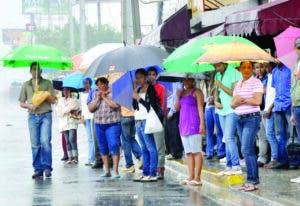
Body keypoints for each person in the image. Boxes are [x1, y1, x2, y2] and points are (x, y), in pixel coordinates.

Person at [19, 62, 56, 178]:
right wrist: (29, 106)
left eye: (38, 69)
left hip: (45, 115)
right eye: (34, 69)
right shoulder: (26, 85)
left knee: (45, 141)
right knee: (35, 144)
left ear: (41, 71)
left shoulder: (47, 83)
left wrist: (42, 93)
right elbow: (21, 103)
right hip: (32, 116)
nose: (36, 71)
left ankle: (47, 167)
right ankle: (37, 169)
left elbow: (53, 100)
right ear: (30, 71)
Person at [231, 61, 263, 192]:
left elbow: (257, 101)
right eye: (243, 67)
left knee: (246, 149)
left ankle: (253, 181)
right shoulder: (238, 84)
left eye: (249, 67)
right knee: (245, 149)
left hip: (251, 118)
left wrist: (241, 100)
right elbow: (232, 105)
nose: (246, 70)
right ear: (239, 69)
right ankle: (249, 179)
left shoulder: (256, 82)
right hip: (239, 118)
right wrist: (237, 101)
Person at [88, 77, 122, 178]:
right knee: (102, 147)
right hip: (99, 124)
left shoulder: (114, 93)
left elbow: (116, 105)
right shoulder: (95, 95)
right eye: (98, 85)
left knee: (114, 145)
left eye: (103, 84)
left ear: (107, 84)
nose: (101, 86)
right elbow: (90, 109)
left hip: (112, 123)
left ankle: (115, 170)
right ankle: (107, 170)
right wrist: (98, 98)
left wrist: (104, 97)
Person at [175, 78, 205, 186]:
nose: (186, 83)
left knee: (196, 151)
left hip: (194, 124)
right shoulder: (181, 93)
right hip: (183, 125)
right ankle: (191, 176)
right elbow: (177, 108)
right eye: (184, 81)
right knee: (188, 152)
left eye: (188, 80)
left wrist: (202, 123)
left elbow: (201, 108)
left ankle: (197, 178)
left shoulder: (197, 92)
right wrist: (178, 97)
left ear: (193, 81)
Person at [213, 63, 242, 175]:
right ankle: (229, 166)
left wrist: (220, 85)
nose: (217, 68)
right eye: (215, 66)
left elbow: (234, 93)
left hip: (232, 110)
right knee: (226, 138)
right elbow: (216, 92)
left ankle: (236, 165)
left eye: (218, 66)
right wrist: (216, 101)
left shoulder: (235, 73)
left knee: (229, 137)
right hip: (221, 110)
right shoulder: (217, 75)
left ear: (224, 63)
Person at [132, 68, 160, 182]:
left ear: (145, 77)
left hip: (146, 120)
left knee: (150, 147)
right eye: (136, 78)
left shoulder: (150, 89)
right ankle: (145, 172)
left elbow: (151, 106)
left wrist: (139, 99)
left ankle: (153, 173)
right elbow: (135, 107)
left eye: (140, 77)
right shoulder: (137, 90)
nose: (138, 80)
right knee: (143, 148)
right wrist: (135, 93)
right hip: (138, 120)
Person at [272, 62, 293, 169]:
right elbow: (274, 89)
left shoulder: (289, 69)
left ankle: (294, 161)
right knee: (280, 134)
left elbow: (292, 87)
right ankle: (282, 160)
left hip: (289, 104)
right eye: (276, 56)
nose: (278, 59)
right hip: (278, 105)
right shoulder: (274, 71)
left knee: (292, 134)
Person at [147, 67, 166, 179]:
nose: (151, 76)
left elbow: (163, 105)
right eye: (149, 74)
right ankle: (152, 168)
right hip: (147, 121)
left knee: (159, 147)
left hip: (158, 120)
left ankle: (160, 169)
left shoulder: (160, 88)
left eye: (153, 74)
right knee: (150, 147)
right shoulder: (144, 88)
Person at [56, 87, 81, 164]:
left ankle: (75, 157)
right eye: (64, 90)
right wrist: (66, 110)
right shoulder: (60, 100)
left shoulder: (74, 100)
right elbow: (58, 111)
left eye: (67, 90)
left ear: (70, 91)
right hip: (63, 123)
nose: (65, 92)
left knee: (72, 139)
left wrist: (64, 110)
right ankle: (70, 157)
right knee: (67, 141)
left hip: (72, 122)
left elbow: (73, 107)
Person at [204, 72, 225, 160]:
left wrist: (215, 99)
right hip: (208, 107)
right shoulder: (204, 82)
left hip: (217, 107)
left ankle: (221, 151)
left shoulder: (218, 79)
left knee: (219, 130)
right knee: (209, 131)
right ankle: (209, 151)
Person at [263, 63, 279, 169]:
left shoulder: (274, 75)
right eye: (265, 66)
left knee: (272, 134)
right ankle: (275, 157)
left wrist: (269, 108)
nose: (266, 68)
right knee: (270, 134)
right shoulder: (268, 76)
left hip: (273, 109)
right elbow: (268, 95)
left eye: (268, 66)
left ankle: (275, 158)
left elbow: (277, 94)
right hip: (268, 109)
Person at [254, 62, 269, 167]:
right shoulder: (254, 80)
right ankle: (262, 157)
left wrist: (262, 90)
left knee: (270, 134)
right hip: (257, 110)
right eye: (257, 67)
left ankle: (274, 157)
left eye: (262, 67)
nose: (259, 70)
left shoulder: (268, 78)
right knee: (261, 135)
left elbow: (268, 91)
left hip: (266, 110)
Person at [120, 106, 142, 173]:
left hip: (124, 116)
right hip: (133, 116)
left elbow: (116, 105)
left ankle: (129, 165)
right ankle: (141, 157)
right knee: (132, 138)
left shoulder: (119, 95)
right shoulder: (131, 94)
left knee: (126, 142)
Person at [165, 82, 184, 160]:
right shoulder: (171, 81)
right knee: (169, 131)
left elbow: (176, 97)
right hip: (169, 107)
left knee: (174, 131)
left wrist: (171, 111)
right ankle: (171, 151)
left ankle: (176, 152)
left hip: (174, 109)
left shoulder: (178, 83)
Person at [290, 37, 300, 183]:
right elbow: (292, 87)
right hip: (296, 105)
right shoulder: (295, 65)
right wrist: (292, 111)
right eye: (298, 47)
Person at [81, 77, 95, 166]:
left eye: (87, 83)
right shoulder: (82, 94)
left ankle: (92, 158)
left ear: (90, 83)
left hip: (93, 116)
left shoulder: (93, 93)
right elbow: (83, 106)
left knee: (93, 138)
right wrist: (82, 117)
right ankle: (90, 158)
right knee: (89, 138)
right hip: (86, 117)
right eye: (84, 83)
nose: (85, 85)